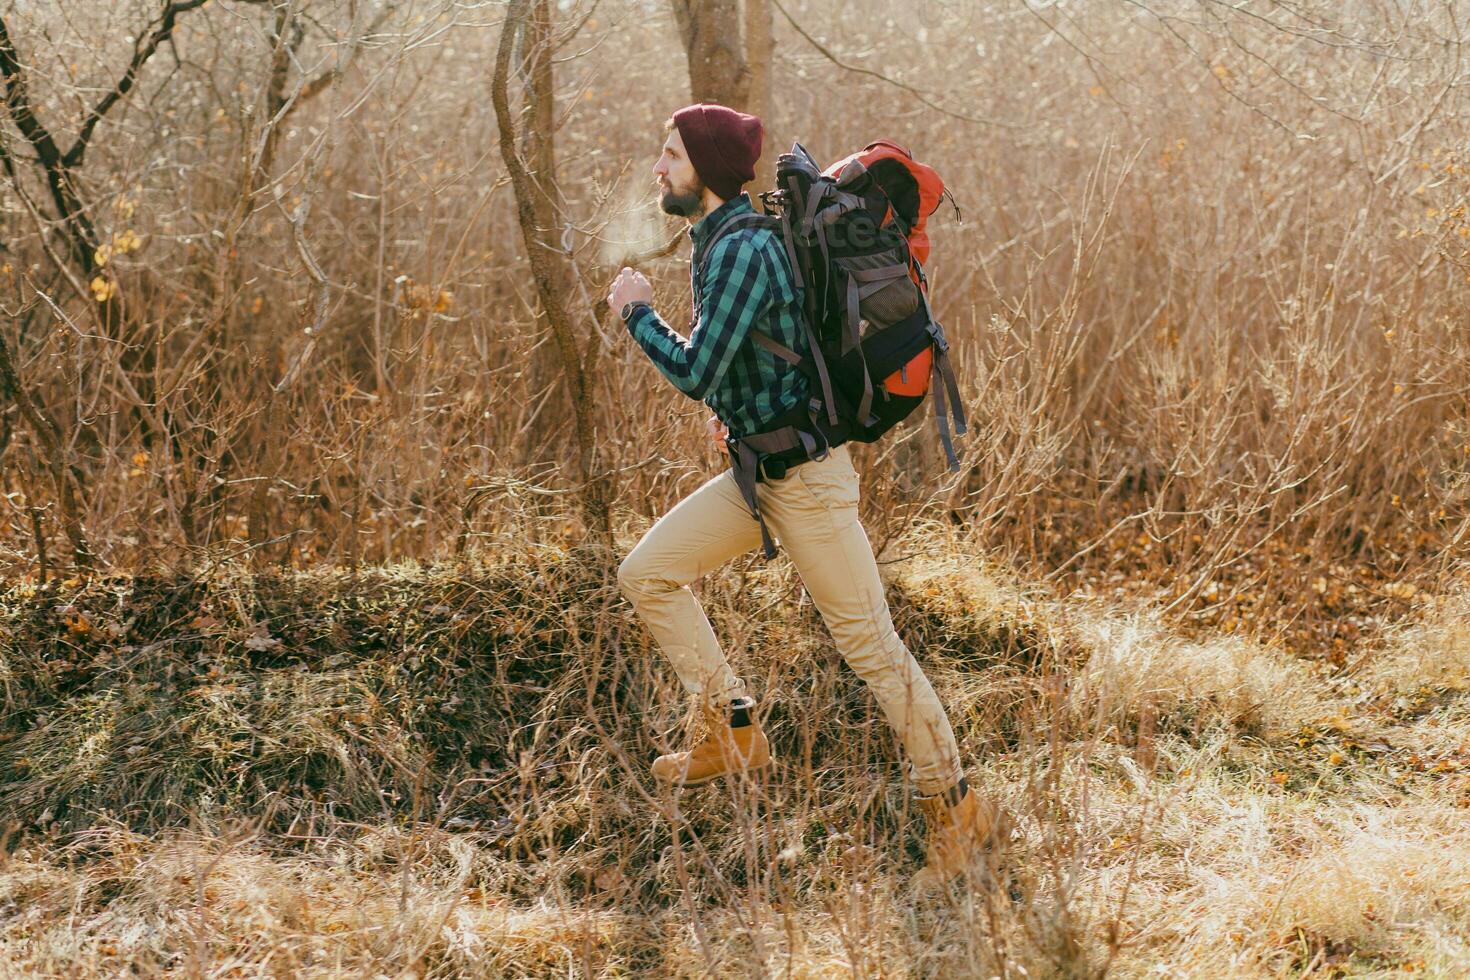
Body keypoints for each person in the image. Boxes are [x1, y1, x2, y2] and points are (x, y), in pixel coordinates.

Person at [605, 102, 1012, 891]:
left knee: (875, 654)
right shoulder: (718, 241)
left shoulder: (744, 251)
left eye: (671, 156)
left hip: (810, 488)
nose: (659, 168)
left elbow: (697, 372)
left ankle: (959, 813)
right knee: (646, 574)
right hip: (762, 478)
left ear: (709, 171)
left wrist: (637, 313)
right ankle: (731, 727)